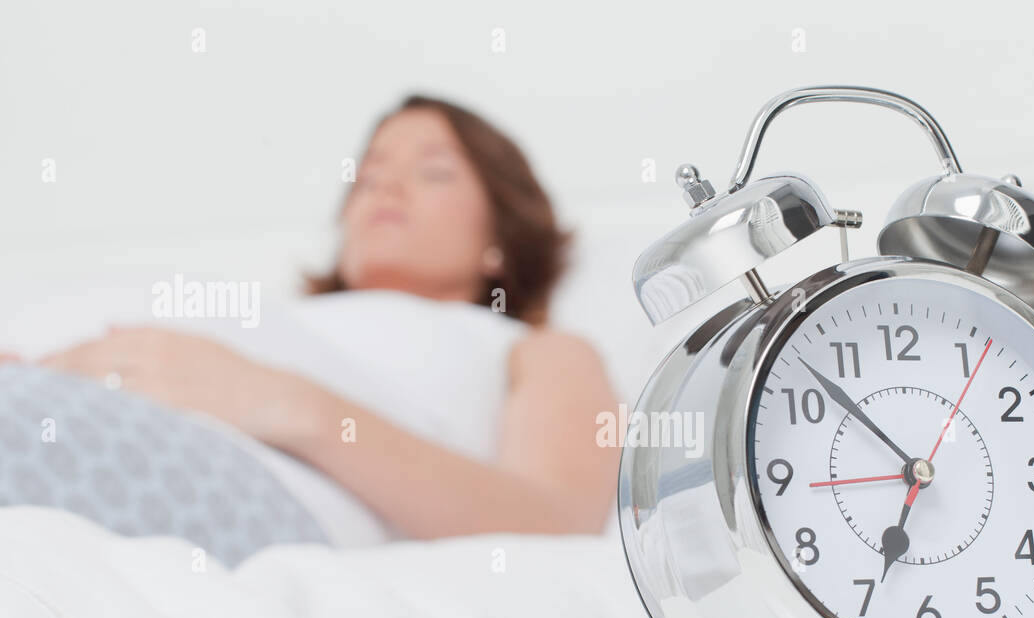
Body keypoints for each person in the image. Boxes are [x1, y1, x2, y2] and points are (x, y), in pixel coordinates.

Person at [37, 95, 619, 537]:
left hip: (225, 492)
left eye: (434, 171)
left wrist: (278, 402)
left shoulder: (530, 348)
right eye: (367, 176)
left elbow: (559, 525)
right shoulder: (292, 320)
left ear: (500, 237)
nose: (385, 184)